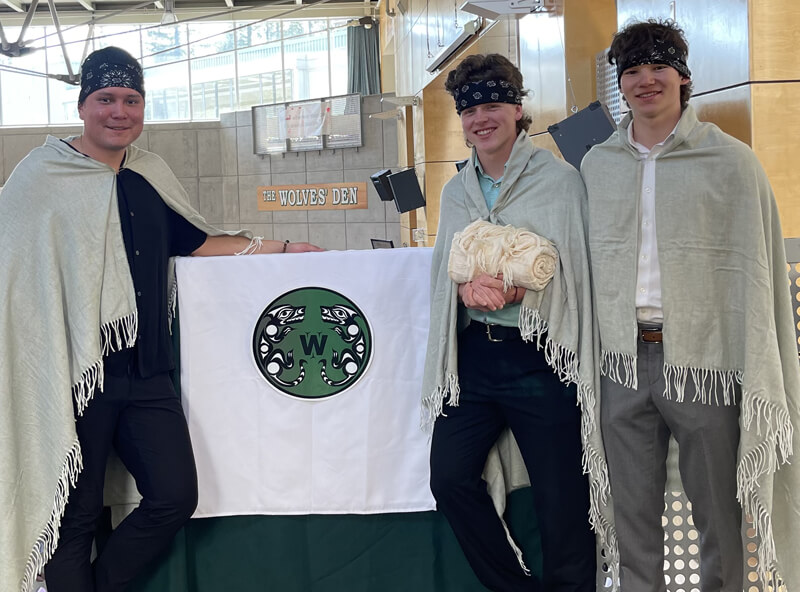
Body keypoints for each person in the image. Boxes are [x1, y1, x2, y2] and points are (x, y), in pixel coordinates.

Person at [0, 46, 322, 592]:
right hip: (75, 374)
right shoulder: (40, 174)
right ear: (83, 106)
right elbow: (16, 279)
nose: (118, 111)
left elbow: (196, 241)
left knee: (175, 495)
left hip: (147, 371)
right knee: (74, 518)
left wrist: (284, 247)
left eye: (131, 99)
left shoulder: (151, 172)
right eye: (105, 99)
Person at [581, 19, 800, 592]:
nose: (644, 80)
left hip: (705, 362)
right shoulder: (596, 166)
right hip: (622, 362)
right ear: (619, 84)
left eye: (658, 68)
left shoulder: (731, 162)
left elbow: (754, 269)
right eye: (631, 71)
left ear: (683, 78)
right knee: (631, 518)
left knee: (719, 518)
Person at [422, 53, 609, 592]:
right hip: (474, 359)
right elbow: (446, 269)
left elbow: (577, 267)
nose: (482, 117)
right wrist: (462, 285)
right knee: (449, 479)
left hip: (543, 356)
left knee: (562, 502)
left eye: (493, 103)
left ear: (518, 108)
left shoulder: (559, 181)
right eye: (470, 108)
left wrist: (524, 285)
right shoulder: (456, 190)